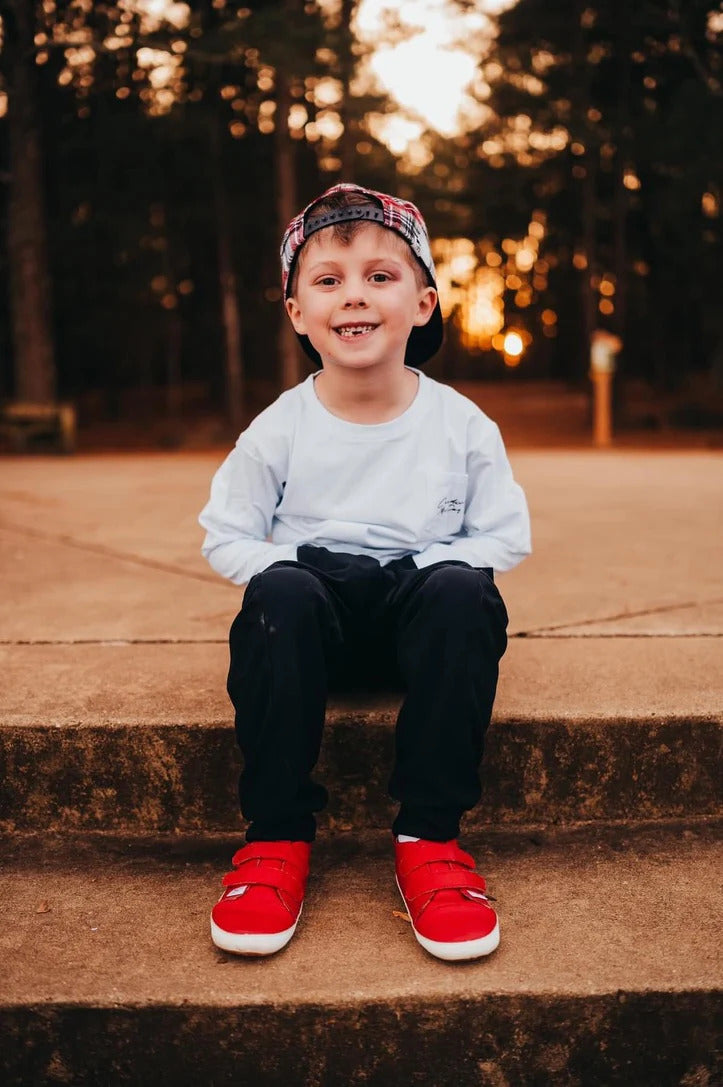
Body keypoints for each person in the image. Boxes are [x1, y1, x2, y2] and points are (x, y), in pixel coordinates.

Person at [199, 182, 531, 962]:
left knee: (462, 589)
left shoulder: (459, 425)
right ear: (296, 314)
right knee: (277, 590)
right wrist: (298, 562)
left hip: (419, 621)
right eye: (328, 280)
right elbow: (226, 536)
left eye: (380, 276)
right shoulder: (279, 427)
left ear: (421, 303)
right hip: (316, 621)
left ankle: (430, 837)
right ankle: (274, 838)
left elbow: (503, 535)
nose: (354, 295)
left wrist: (434, 561)